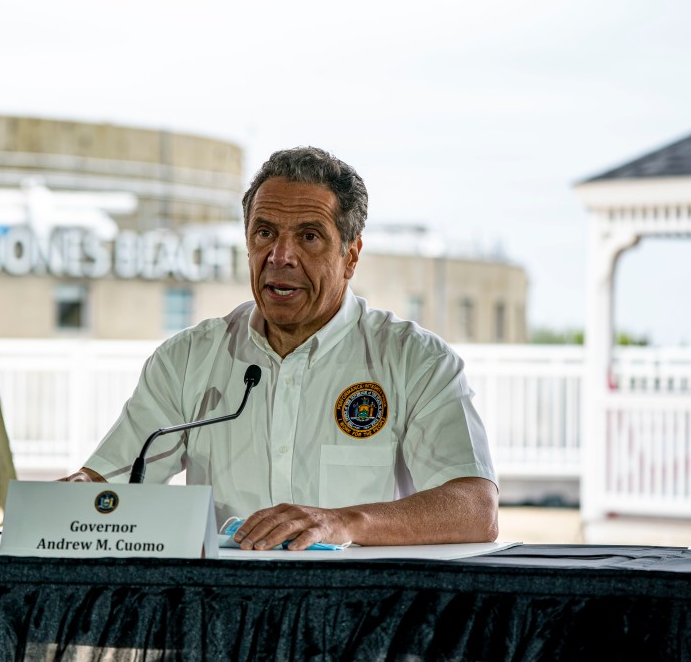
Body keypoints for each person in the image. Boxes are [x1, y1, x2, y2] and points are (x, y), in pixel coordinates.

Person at [62, 146, 498, 550]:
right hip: (223, 614)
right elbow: (109, 485)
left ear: (351, 255)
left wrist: (342, 522)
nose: (280, 255)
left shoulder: (415, 360)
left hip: (361, 617)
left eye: (309, 236)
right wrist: (73, 493)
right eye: (265, 233)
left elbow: (475, 508)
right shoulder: (187, 359)